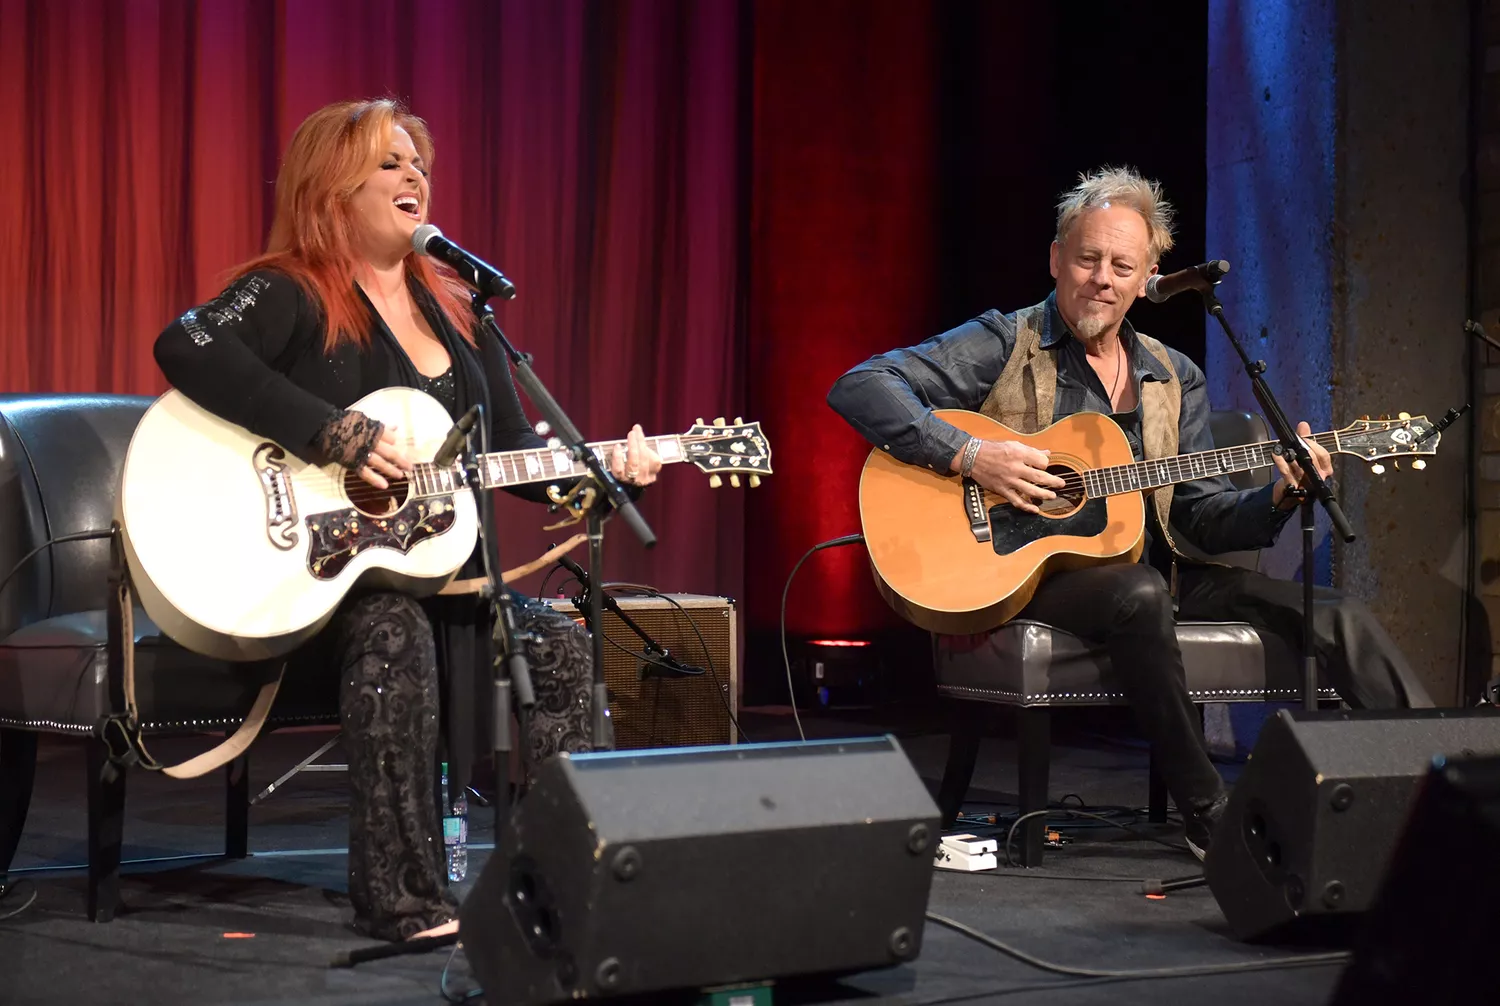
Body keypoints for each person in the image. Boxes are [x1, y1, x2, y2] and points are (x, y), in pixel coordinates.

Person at [153, 98, 661, 939]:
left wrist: (607, 478)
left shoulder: (460, 310)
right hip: (308, 582)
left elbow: (507, 458)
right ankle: (404, 896)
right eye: (388, 162)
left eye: (417, 161)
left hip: (442, 578)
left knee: (560, 641)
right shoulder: (289, 289)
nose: (413, 174)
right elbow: (187, 345)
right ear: (333, 185)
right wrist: (333, 434)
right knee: (393, 629)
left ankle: (577, 880)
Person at [827, 166, 1433, 859]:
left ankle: (1432, 792)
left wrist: (1278, 497)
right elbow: (862, 385)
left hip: (1159, 566)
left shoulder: (1174, 375)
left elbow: (1201, 519)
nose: (1101, 279)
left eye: (1121, 265)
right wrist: (971, 456)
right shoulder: (1007, 339)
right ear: (1058, 259)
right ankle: (1210, 811)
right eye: (1087, 259)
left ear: (1147, 277)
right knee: (1138, 594)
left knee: (1337, 615)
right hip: (1034, 575)